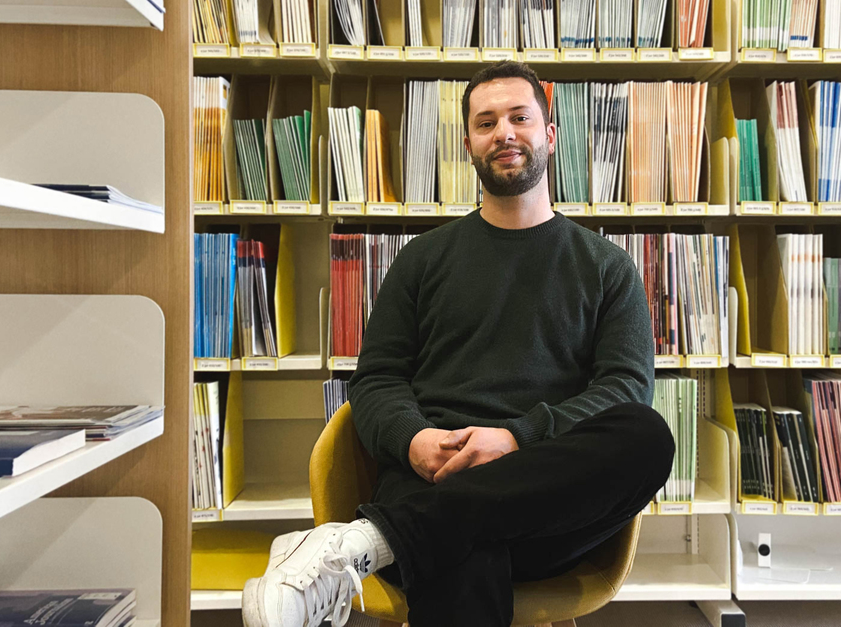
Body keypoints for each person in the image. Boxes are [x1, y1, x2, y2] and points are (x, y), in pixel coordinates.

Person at [242, 61, 676, 627]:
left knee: (646, 435)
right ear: (469, 143)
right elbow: (375, 379)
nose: (505, 133)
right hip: (431, 475)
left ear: (549, 135)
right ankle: (408, 531)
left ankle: (370, 541)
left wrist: (515, 441)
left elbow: (624, 390)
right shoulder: (423, 259)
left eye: (520, 117)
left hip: (546, 502)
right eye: (486, 122)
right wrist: (414, 436)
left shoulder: (607, 268)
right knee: (464, 548)